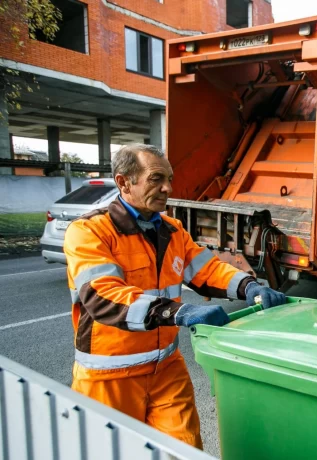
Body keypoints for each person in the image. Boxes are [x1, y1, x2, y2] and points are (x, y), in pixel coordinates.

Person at [64, 144, 286, 448]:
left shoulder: (172, 230)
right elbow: (103, 295)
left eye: (169, 178)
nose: (167, 187)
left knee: (185, 449)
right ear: (123, 182)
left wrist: (249, 286)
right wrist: (176, 312)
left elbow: (206, 269)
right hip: (108, 378)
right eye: (156, 179)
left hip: (166, 371)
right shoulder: (90, 231)